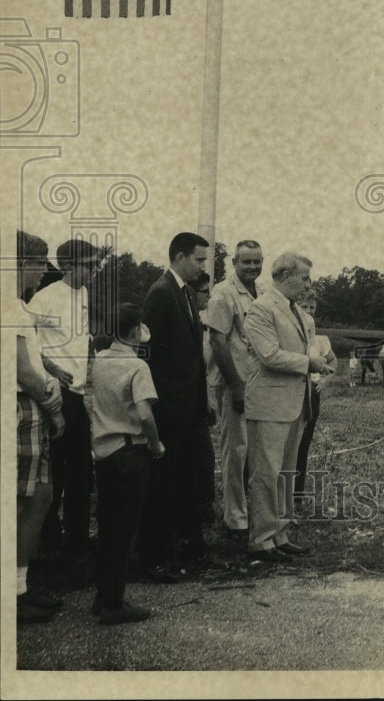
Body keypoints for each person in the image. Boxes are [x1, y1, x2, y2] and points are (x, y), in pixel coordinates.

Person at [243, 252, 331, 562]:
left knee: (286, 473)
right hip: (269, 404)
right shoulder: (261, 309)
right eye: (304, 278)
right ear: (284, 276)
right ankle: (261, 539)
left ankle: (279, 533)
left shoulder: (300, 313)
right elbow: (269, 355)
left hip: (296, 404)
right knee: (265, 473)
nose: (309, 285)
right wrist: (310, 362)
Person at [138, 232, 211, 581]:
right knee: (161, 485)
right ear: (180, 257)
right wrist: (156, 402)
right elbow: (146, 355)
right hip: (167, 409)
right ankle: (152, 557)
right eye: (198, 259)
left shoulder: (182, 293)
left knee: (184, 482)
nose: (202, 266)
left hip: (187, 408)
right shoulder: (161, 293)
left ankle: (182, 549)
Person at [90, 304, 165, 624]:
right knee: (125, 529)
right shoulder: (137, 367)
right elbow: (145, 414)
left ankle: (102, 593)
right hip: (130, 451)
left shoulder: (100, 360)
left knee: (107, 526)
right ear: (135, 330)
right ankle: (114, 604)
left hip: (103, 452)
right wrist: (155, 443)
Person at [28, 238, 101, 561]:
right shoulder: (44, 298)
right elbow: (26, 344)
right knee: (53, 474)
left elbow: (81, 339)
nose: (95, 271)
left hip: (79, 395)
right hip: (56, 396)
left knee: (82, 474)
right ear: (69, 266)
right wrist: (53, 369)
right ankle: (48, 546)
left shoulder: (84, 294)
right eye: (89, 265)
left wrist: (89, 369)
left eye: (97, 265)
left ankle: (77, 543)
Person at [16, 230, 66, 623]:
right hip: (25, 409)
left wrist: (50, 371)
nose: (41, 276)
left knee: (39, 498)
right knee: (26, 502)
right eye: (38, 266)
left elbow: (33, 357)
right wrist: (53, 405)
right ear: (23, 264)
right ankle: (15, 592)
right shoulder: (10, 307)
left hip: (31, 407)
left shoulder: (16, 306)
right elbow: (22, 371)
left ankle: (21, 585)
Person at [206, 240, 264, 541]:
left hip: (257, 383)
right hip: (235, 384)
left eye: (257, 262)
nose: (252, 267)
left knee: (254, 451)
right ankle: (235, 519)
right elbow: (217, 341)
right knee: (236, 451)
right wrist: (237, 386)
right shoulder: (223, 293)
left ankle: (252, 512)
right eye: (246, 262)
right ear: (234, 263)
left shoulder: (262, 293)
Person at [294, 291, 337, 506]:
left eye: (312, 308)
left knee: (303, 444)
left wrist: (324, 382)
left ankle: (297, 495)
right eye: (304, 307)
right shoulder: (291, 334)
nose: (309, 312)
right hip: (291, 390)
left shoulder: (320, 339)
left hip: (311, 392)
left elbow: (333, 363)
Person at [188, 271, 218, 526]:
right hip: (187, 399)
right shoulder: (188, 320)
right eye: (205, 292)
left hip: (200, 395)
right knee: (199, 456)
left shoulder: (201, 322)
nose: (209, 296)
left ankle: (203, 506)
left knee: (205, 457)